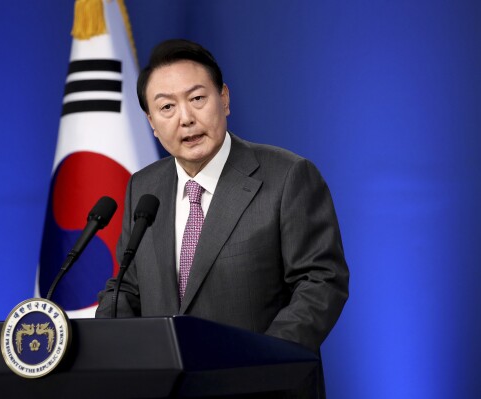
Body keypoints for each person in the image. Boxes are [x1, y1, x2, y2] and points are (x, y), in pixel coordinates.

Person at [96, 39, 349, 398]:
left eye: (197, 99)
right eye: (167, 107)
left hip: (263, 389)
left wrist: (264, 361)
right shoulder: (144, 187)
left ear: (224, 99)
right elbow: (126, 288)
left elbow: (321, 280)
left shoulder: (287, 175)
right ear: (152, 123)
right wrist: (104, 348)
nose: (186, 118)